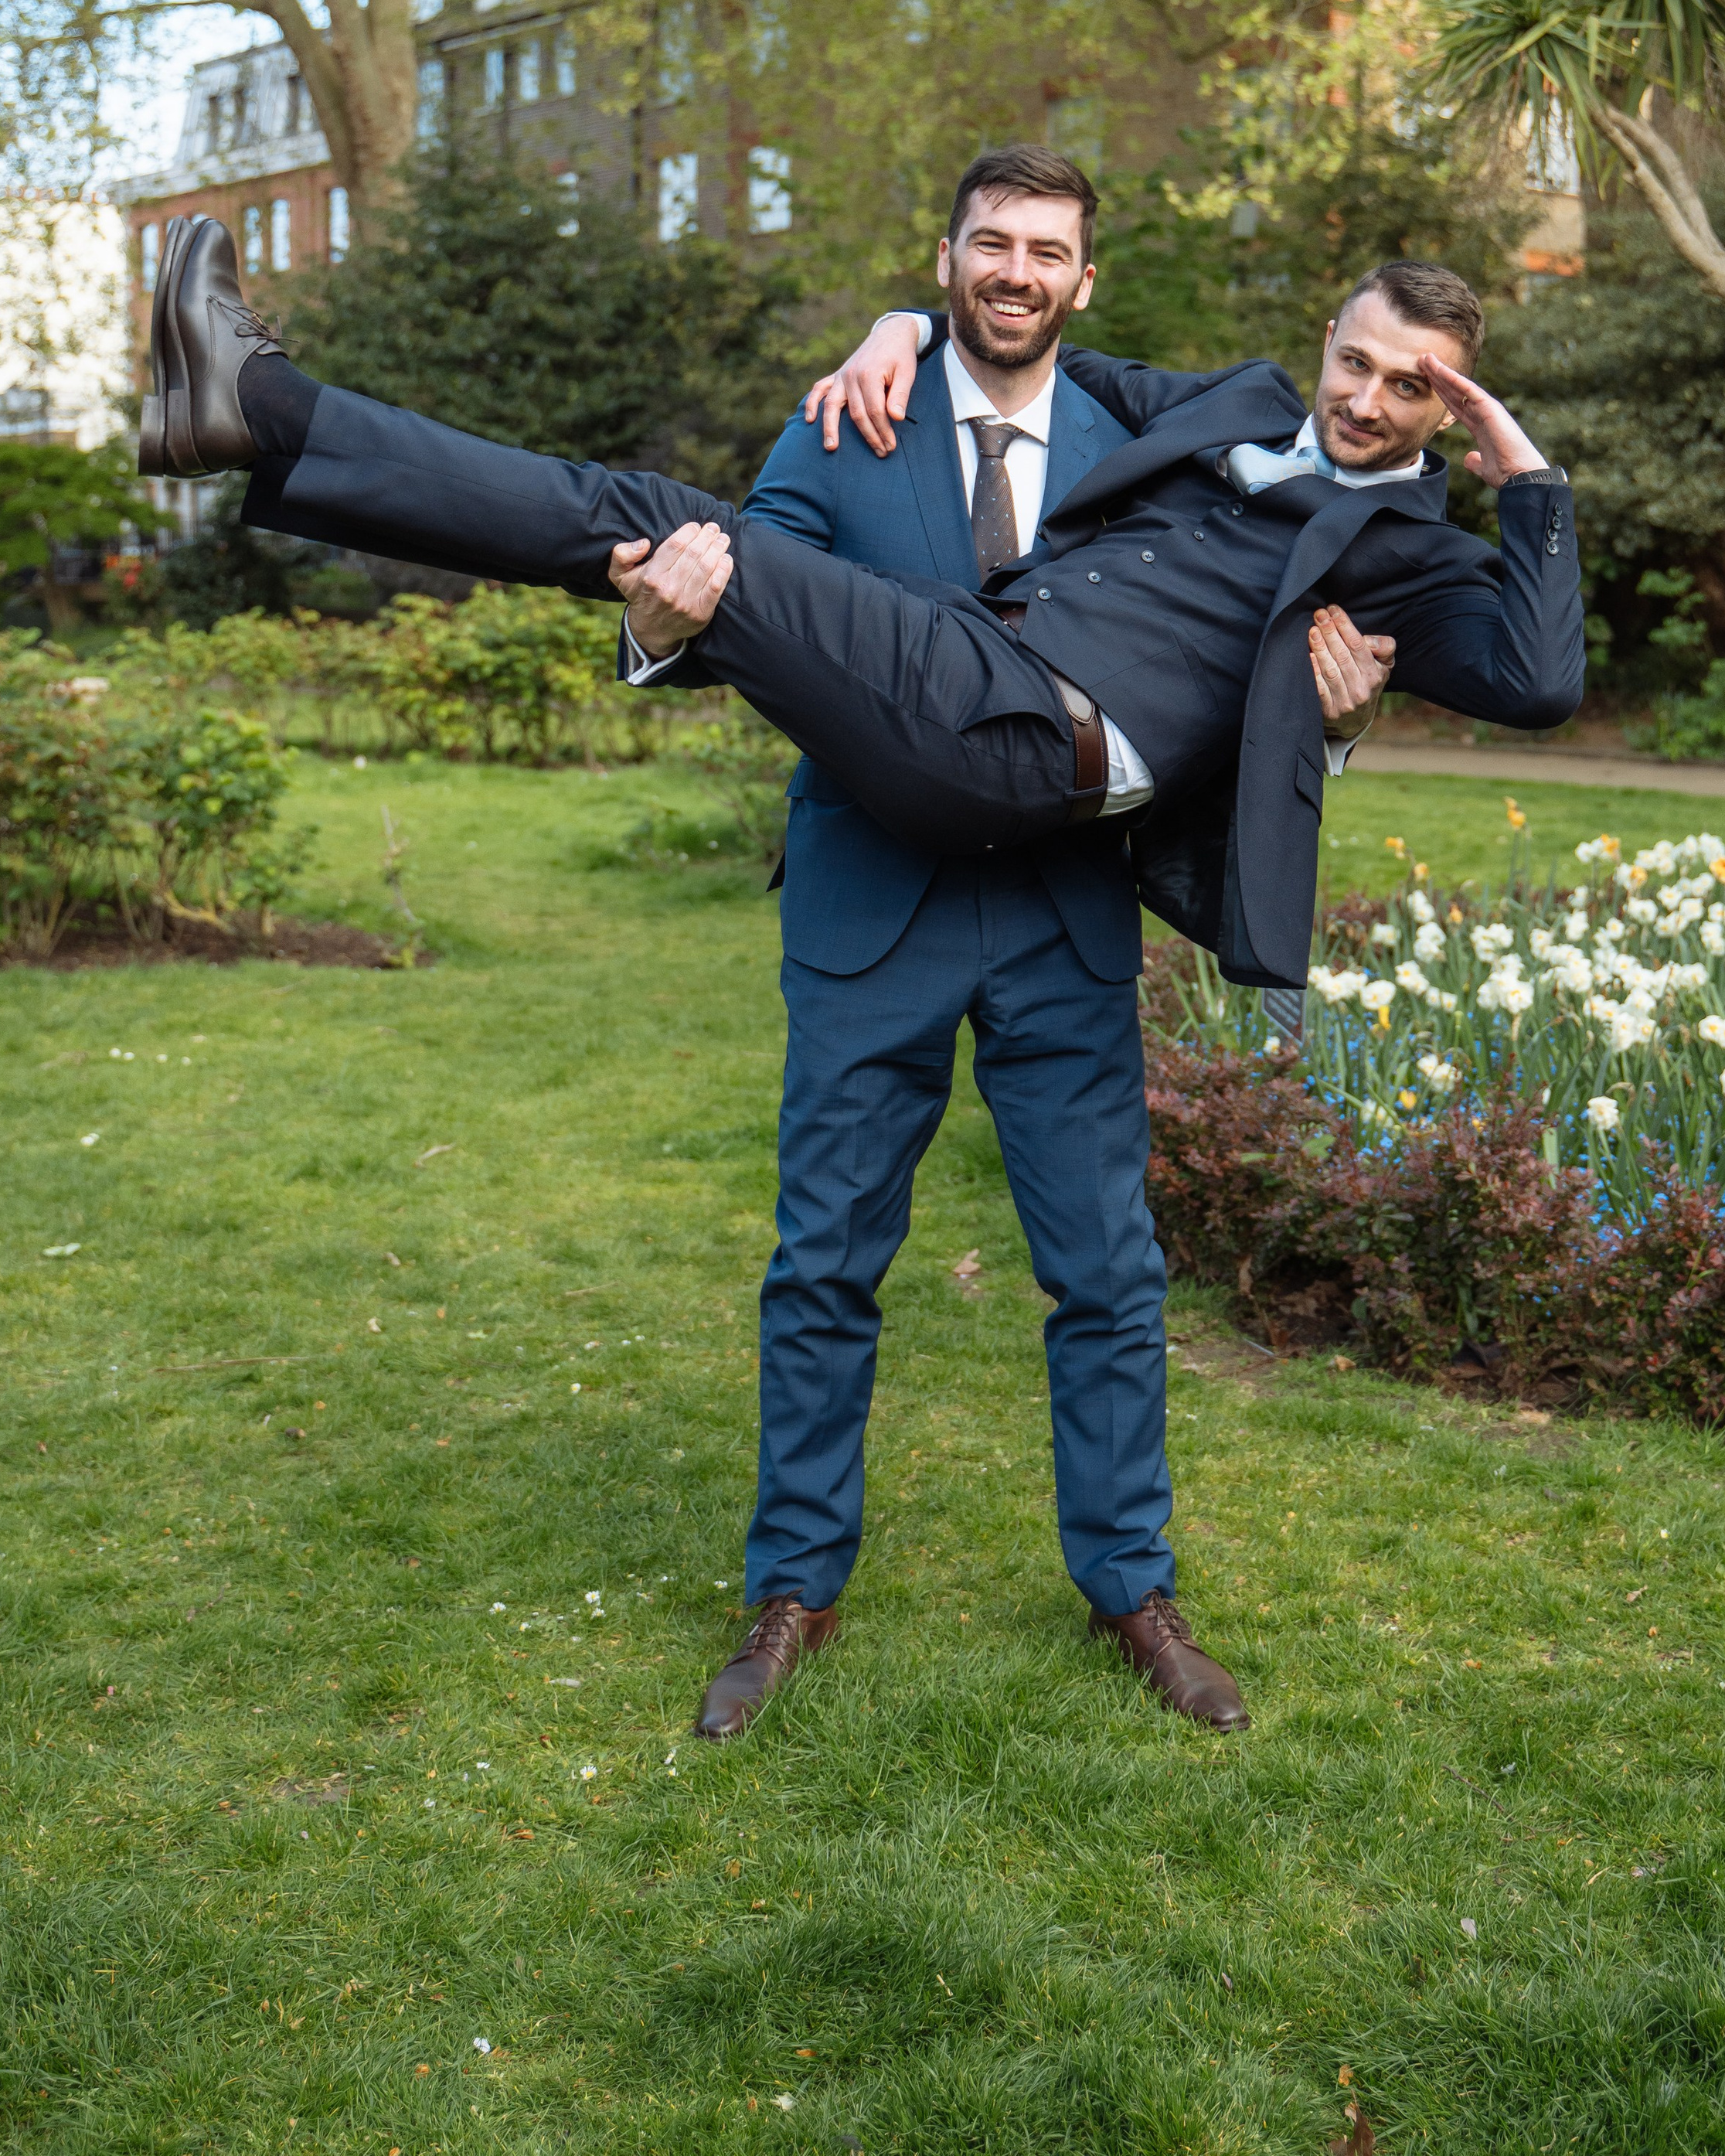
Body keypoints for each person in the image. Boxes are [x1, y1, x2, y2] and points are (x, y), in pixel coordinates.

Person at [628, 148, 1387, 1740]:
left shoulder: (1153, 449)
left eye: (1046, 250)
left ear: (1083, 282)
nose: (1015, 271)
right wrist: (658, 624)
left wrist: (1326, 716)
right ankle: (790, 1593)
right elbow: (742, 602)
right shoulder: (854, 413)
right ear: (948, 256)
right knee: (824, 1264)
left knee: (1104, 1273)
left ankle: (1131, 1589)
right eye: (989, 245)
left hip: (1062, 917)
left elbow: (1217, 661)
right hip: (869, 910)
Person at [139, 216, 1581, 1003]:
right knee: (653, 525)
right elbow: (1028, 349)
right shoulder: (1231, 403)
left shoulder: (1406, 549)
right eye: (1364, 363)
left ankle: (259, 404)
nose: (1371, 403)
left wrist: (1526, 483)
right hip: (976, 684)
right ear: (1328, 339)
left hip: (1035, 739)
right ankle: (252, 425)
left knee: (653, 512)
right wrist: (905, 320)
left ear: (1447, 411)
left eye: (1416, 390)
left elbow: (1536, 681)